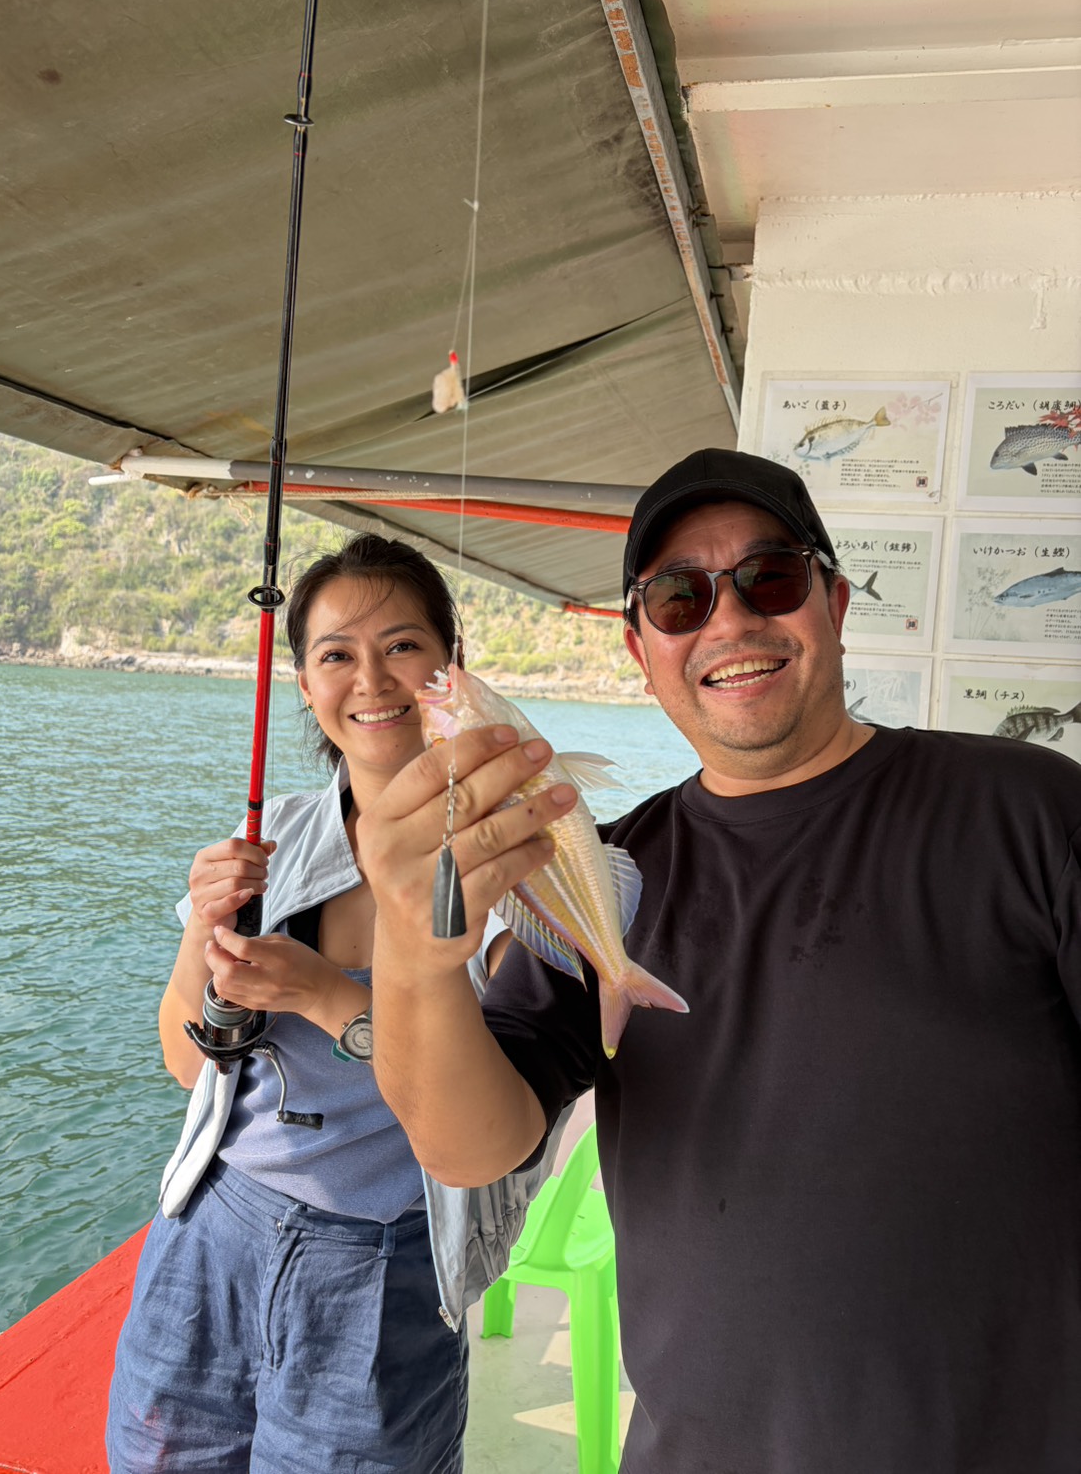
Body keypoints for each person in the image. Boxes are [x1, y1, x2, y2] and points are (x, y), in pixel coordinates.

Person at [358, 448, 1081, 1474]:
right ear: (641, 646)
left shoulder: (1031, 808)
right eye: (678, 597)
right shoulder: (599, 873)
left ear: (833, 603)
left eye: (769, 577)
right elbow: (469, 1148)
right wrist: (412, 948)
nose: (729, 620)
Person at [106, 533, 565, 1474]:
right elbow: (188, 1061)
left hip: (385, 1262)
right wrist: (204, 928)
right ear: (305, 684)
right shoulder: (270, 836)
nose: (372, 679)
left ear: (451, 666)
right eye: (336, 654)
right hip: (210, 1230)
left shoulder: (511, 865)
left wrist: (321, 995)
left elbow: (492, 1124)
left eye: (402, 645)